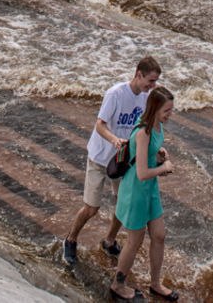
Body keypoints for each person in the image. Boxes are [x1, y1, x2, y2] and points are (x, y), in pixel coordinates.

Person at [63, 56, 162, 266]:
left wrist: (155, 146)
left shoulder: (146, 97)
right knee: (92, 208)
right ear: (138, 74)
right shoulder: (115, 94)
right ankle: (70, 239)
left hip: (123, 160)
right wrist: (114, 139)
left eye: (155, 82)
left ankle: (109, 240)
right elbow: (100, 125)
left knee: (121, 206)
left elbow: (145, 126)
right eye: (150, 81)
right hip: (100, 157)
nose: (153, 86)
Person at [109, 86, 177, 302]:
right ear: (155, 109)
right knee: (134, 241)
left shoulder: (158, 127)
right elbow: (141, 173)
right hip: (136, 192)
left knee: (159, 235)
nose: (170, 114)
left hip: (150, 191)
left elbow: (147, 158)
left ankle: (155, 283)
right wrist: (163, 168)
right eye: (167, 111)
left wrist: (158, 155)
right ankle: (118, 284)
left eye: (171, 110)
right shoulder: (143, 132)